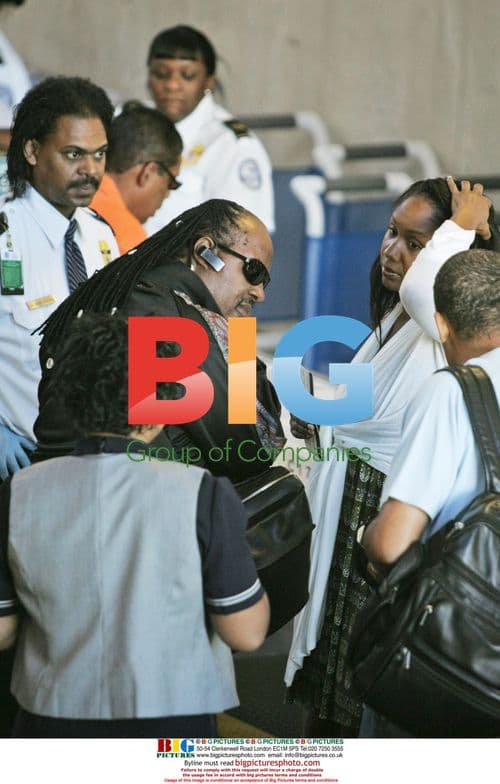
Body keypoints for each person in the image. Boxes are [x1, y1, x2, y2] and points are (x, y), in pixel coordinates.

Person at [285, 177, 500, 737]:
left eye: (414, 242)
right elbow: (368, 405)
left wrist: (464, 223)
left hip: (383, 513)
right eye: (390, 232)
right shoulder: (399, 318)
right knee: (329, 686)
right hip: (352, 505)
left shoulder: (438, 320)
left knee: (361, 687)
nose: (391, 250)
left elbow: (426, 287)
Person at [0, 313, 269, 738]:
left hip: (48, 720)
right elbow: (246, 632)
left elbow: (3, 629)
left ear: (72, 398)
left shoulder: (18, 492)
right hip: (170, 719)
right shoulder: (201, 493)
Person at [33, 198, 284, 482]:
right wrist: (237, 336)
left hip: (80, 483)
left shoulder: (143, 291)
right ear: (205, 252)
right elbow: (251, 449)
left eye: (265, 282)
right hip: (112, 493)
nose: (260, 293)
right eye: (254, 272)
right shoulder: (162, 313)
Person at [360, 247, 500, 737]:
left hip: (457, 650)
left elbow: (391, 543)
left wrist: (365, 535)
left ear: (441, 324)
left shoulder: (452, 392)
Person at [0, 76, 119, 482]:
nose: (91, 170)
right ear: (32, 150)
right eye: (73, 154)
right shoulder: (5, 236)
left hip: (94, 460)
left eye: (100, 154)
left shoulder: (100, 235)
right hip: (22, 462)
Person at [144, 25, 274, 234]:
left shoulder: (232, 145)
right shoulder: (127, 123)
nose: (172, 85)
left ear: (209, 82)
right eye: (161, 74)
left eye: (187, 76)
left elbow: (243, 237)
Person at [90, 102, 183, 254]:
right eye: (171, 183)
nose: (167, 195)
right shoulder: (127, 238)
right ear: (148, 173)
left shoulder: (66, 193)